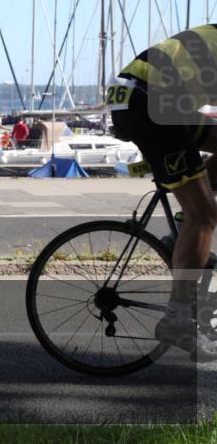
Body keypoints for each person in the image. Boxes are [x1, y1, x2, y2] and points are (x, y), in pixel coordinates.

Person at [110, 23, 217, 359]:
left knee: (199, 213)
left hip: (138, 94)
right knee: (205, 218)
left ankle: (183, 232)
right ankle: (177, 320)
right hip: (150, 103)